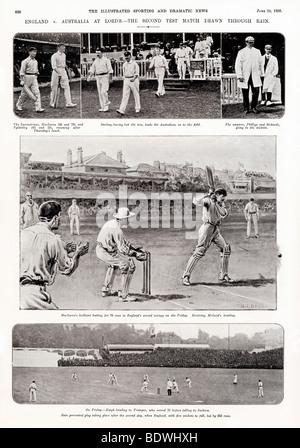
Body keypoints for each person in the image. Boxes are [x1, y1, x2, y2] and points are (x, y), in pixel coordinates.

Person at [20, 200, 89, 309]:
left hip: (16, 294)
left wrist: (64, 249)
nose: (60, 221)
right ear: (56, 217)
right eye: (59, 217)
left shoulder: (23, 233)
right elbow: (67, 268)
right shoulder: (54, 239)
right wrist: (77, 253)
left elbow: (36, 251)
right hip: (35, 295)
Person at [182, 188, 232, 286]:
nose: (224, 199)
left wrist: (216, 203)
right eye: (222, 197)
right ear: (217, 195)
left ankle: (223, 275)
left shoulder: (220, 203)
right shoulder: (208, 201)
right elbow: (195, 201)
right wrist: (207, 195)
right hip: (207, 228)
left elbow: (223, 214)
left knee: (225, 249)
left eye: (224, 198)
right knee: (199, 252)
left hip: (215, 230)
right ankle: (186, 276)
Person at [96, 207, 147, 301]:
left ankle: (106, 290)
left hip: (104, 250)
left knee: (115, 263)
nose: (128, 221)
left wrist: (133, 248)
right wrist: (136, 254)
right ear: (122, 219)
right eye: (127, 218)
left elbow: (123, 242)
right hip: (104, 252)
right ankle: (124, 295)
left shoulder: (112, 223)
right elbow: (123, 249)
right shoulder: (117, 230)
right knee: (129, 265)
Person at [235, 36, 264, 114]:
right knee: (245, 93)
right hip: (245, 76)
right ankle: (246, 108)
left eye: (253, 42)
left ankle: (254, 107)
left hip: (255, 75)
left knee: (256, 92)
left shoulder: (257, 51)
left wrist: (261, 74)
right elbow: (238, 64)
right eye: (250, 42)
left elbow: (261, 63)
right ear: (246, 42)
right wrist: (240, 76)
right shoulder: (241, 52)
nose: (251, 43)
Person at [16, 47, 45, 113]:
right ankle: (19, 105)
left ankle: (38, 108)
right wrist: (22, 80)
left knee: (36, 92)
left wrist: (37, 73)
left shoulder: (35, 61)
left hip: (34, 77)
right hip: (26, 77)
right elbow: (22, 72)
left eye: (35, 52)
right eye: (33, 51)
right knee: (24, 93)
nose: (35, 53)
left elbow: (36, 70)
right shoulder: (25, 61)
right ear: (29, 52)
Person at [50, 43, 77, 108]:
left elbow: (64, 64)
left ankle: (68, 103)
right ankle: (52, 103)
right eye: (62, 47)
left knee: (67, 86)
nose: (64, 48)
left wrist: (69, 71)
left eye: (64, 47)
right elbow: (54, 66)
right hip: (56, 71)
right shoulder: (54, 55)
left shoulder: (64, 55)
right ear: (58, 48)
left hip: (63, 71)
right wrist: (58, 73)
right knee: (54, 87)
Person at [87, 48, 113, 112]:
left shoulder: (106, 60)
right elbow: (92, 69)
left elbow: (110, 70)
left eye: (99, 53)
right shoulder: (96, 61)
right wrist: (89, 76)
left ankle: (106, 103)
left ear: (102, 53)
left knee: (103, 91)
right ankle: (103, 107)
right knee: (100, 93)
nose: (97, 54)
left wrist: (110, 78)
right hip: (98, 77)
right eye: (97, 53)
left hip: (105, 76)